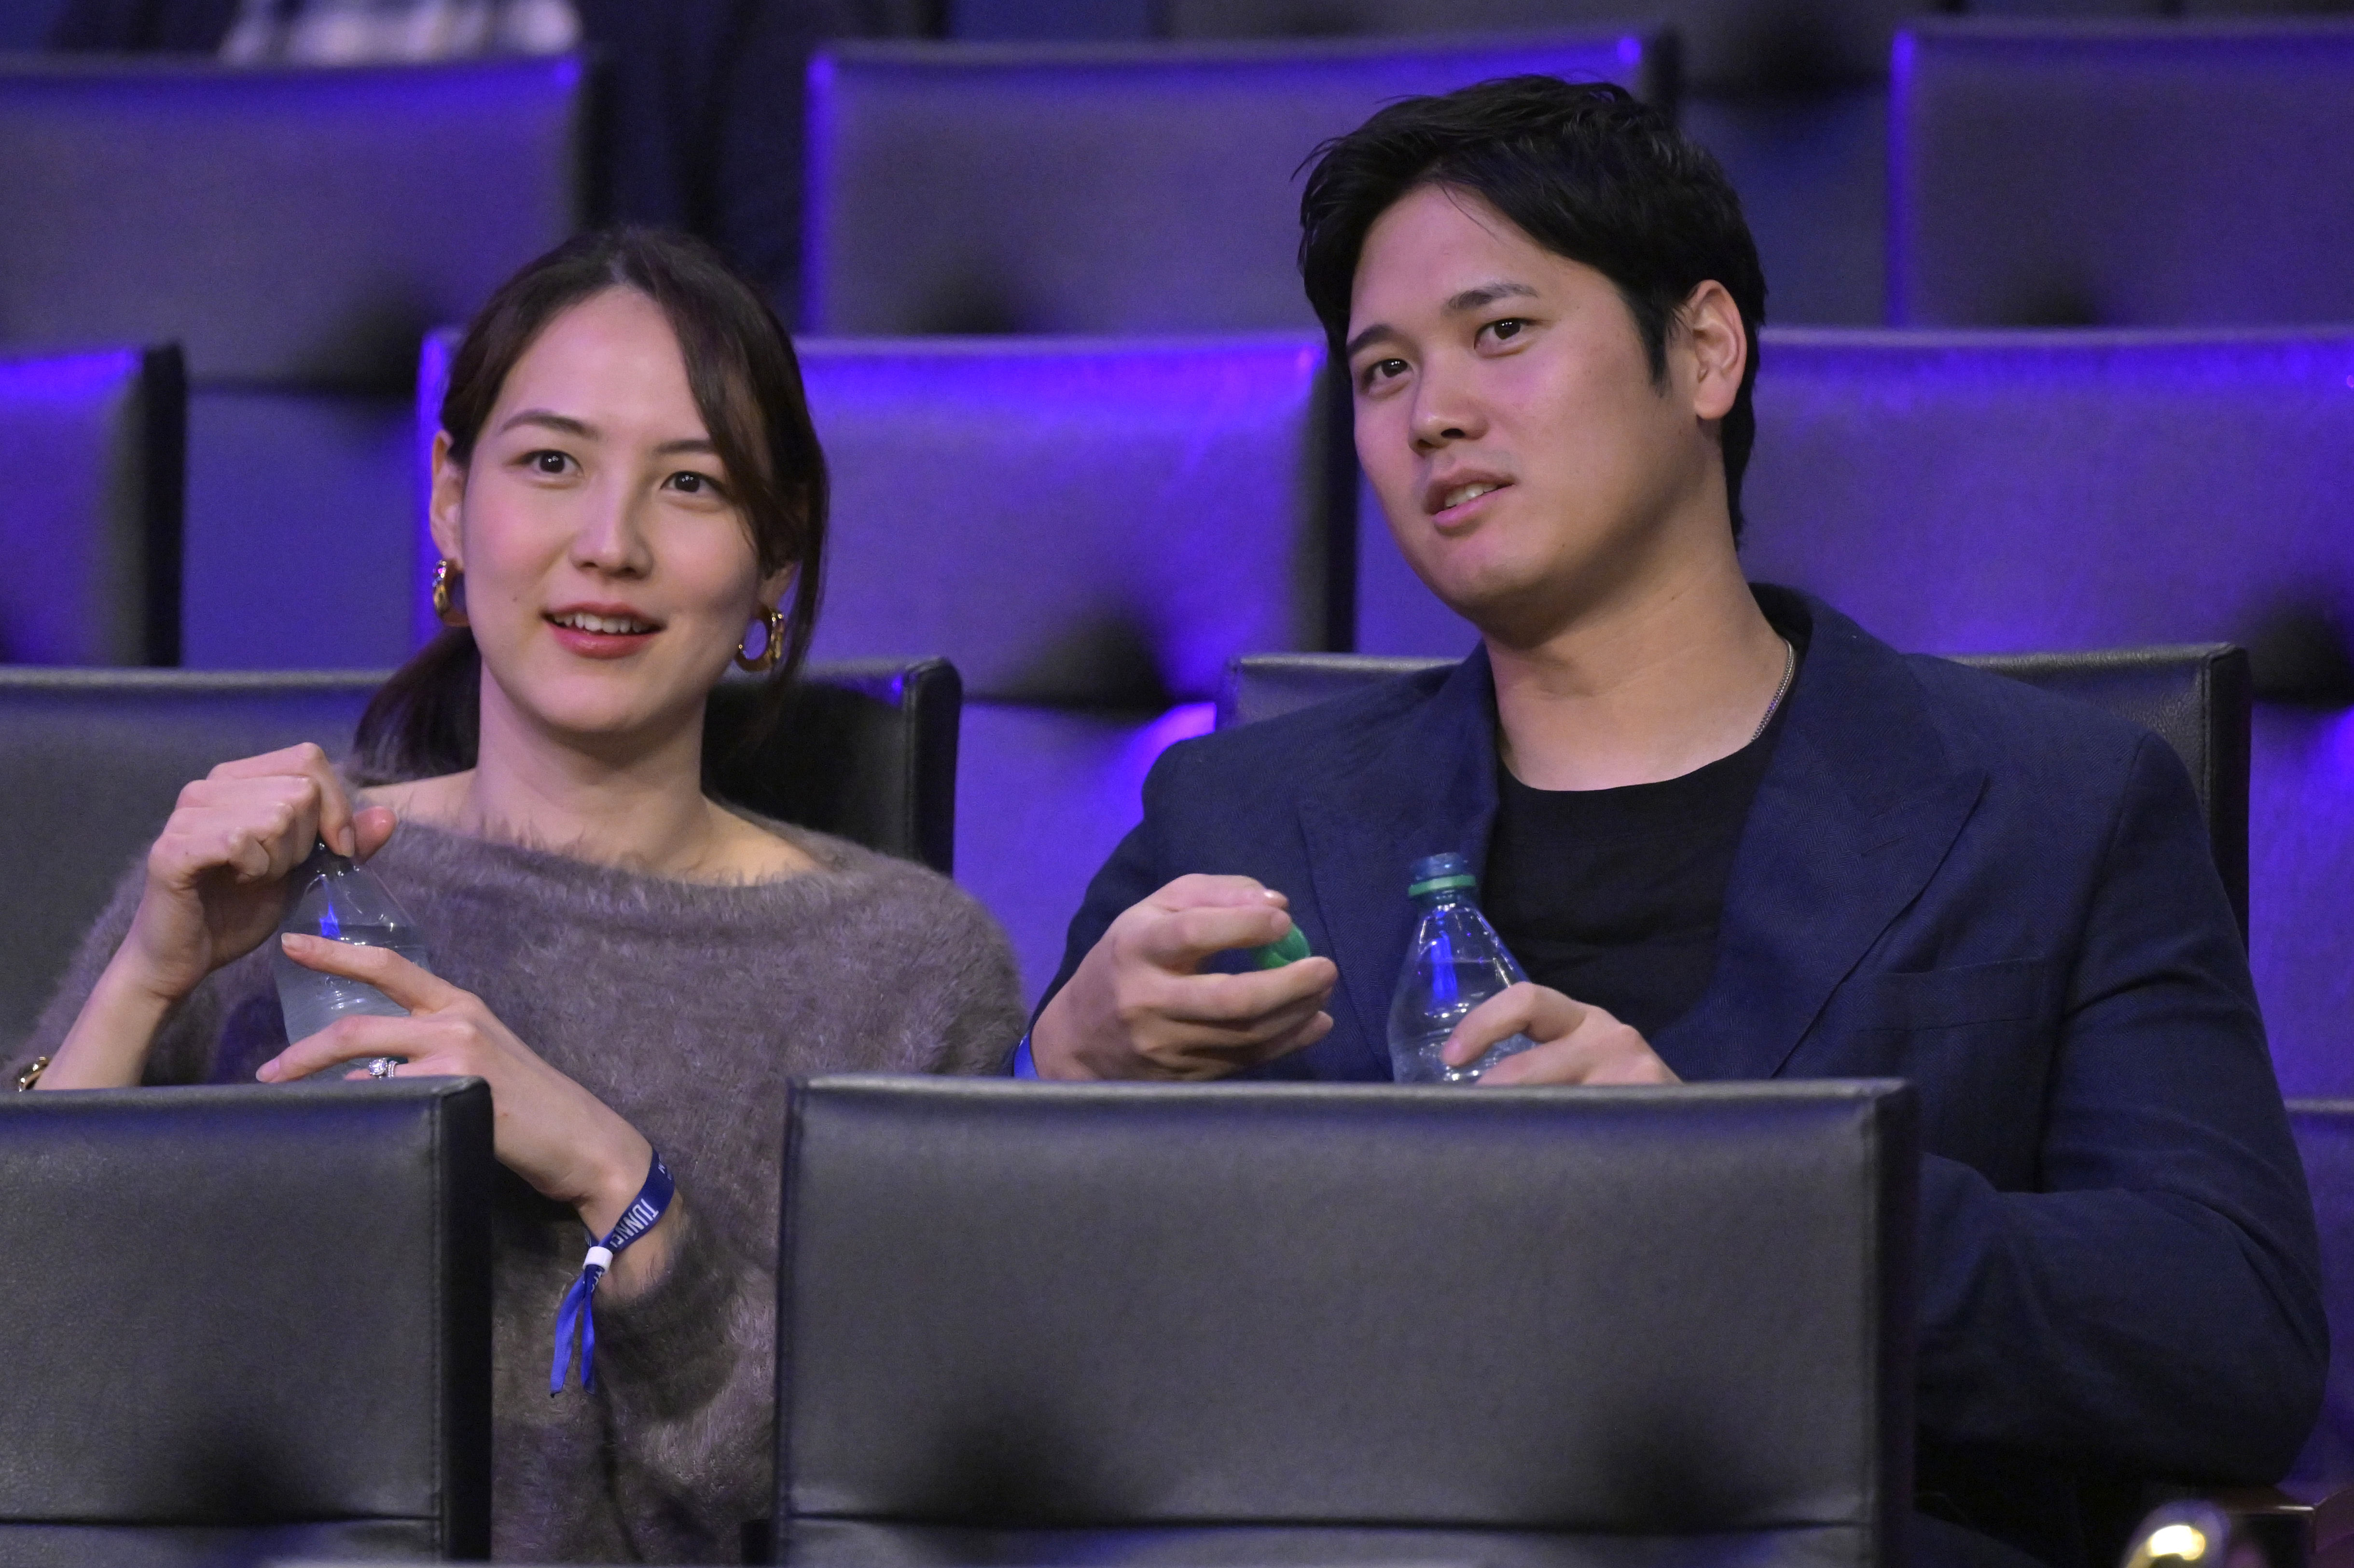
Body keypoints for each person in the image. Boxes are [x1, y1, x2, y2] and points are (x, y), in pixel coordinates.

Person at [1021, 77, 2325, 1567]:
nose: (1433, 412)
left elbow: (2234, 1334)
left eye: (1500, 333)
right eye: (1383, 371)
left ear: (1704, 349)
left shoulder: (2055, 807)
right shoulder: (1243, 808)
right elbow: (973, 1326)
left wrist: (1746, 1186)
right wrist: (1054, 1068)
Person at [10, 228, 1024, 1563]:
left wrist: (619, 1177)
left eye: (693, 484)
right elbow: (29, 1344)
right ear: (449, 498)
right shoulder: (268, 883)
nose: (610, 544)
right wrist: (149, 976)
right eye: (551, 463)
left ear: (775, 562)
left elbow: (906, 1491)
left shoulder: (910, 966)